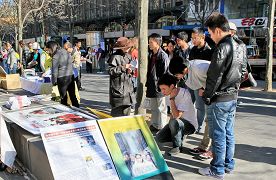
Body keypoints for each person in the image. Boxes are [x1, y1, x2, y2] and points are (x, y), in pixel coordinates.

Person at [198, 12, 247, 179]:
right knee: (228, 132)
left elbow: (214, 76)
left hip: (219, 98)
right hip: (232, 96)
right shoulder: (240, 44)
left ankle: (217, 169)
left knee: (218, 134)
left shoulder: (222, 47)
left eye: (210, 33)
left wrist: (207, 96)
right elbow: (245, 71)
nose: (210, 37)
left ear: (218, 30)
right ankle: (227, 164)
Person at [169, 57, 213, 160]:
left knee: (214, 123)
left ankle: (213, 151)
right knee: (209, 120)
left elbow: (217, 78)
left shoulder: (200, 68)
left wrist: (205, 90)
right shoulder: (188, 71)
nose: (177, 77)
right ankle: (204, 147)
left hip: (219, 97)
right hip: (210, 95)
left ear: (183, 69)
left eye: (176, 75)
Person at [156, 73, 197, 156]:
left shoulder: (185, 93)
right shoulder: (167, 95)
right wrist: (170, 129)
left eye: (164, 89)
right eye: (161, 89)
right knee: (159, 138)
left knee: (174, 121)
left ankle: (177, 147)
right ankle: (178, 137)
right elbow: (172, 115)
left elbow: (177, 116)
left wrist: (172, 99)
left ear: (171, 86)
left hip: (190, 125)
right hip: (177, 123)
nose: (162, 92)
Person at [189, 27, 214, 134]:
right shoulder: (193, 50)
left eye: (195, 38)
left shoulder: (210, 50)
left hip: (203, 84)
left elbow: (212, 71)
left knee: (201, 107)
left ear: (203, 37)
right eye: (192, 38)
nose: (193, 40)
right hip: (193, 82)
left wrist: (203, 87)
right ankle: (194, 124)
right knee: (193, 105)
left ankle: (199, 127)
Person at [146, 33, 170, 132]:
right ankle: (155, 124)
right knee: (154, 107)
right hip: (152, 85)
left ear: (157, 43)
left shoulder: (163, 56)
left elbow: (165, 72)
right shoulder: (151, 54)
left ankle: (162, 127)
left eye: (151, 42)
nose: (149, 44)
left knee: (162, 108)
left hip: (160, 86)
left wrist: (163, 86)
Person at [45, 41, 79, 108]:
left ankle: (65, 113)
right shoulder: (65, 51)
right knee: (73, 96)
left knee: (63, 97)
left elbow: (54, 71)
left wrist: (54, 82)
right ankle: (78, 110)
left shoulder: (56, 56)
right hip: (70, 76)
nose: (48, 52)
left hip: (62, 78)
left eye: (48, 50)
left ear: (51, 48)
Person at [108, 37, 136, 117]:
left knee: (127, 111)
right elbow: (110, 71)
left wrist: (130, 71)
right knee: (117, 113)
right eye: (126, 47)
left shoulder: (128, 56)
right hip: (118, 88)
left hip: (128, 88)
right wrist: (123, 67)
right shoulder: (114, 56)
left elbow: (131, 69)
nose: (128, 49)